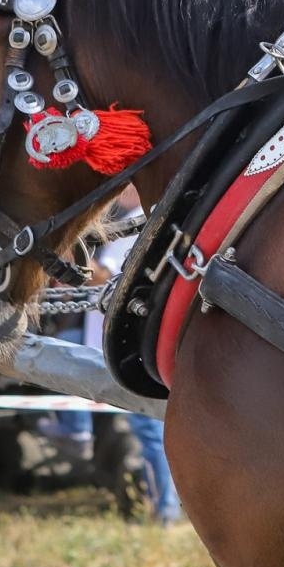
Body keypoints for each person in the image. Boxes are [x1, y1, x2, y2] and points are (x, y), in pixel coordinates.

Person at [39, 189, 180, 523]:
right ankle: (76, 428)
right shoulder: (142, 219)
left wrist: (70, 262)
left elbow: (106, 274)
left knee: (147, 429)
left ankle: (166, 509)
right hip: (121, 338)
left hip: (129, 341)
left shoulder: (135, 223)